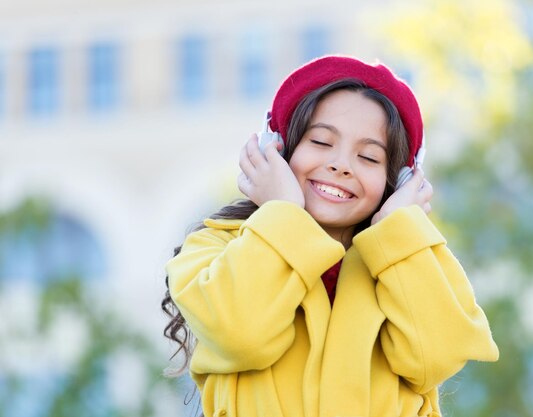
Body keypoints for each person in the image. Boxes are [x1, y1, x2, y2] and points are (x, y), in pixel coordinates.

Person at [161, 55, 499, 417]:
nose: (341, 165)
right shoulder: (214, 250)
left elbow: (437, 357)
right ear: (277, 149)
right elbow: (240, 334)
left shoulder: (412, 264)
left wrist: (397, 231)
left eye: (369, 157)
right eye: (321, 142)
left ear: (398, 181)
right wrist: (285, 213)